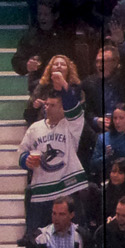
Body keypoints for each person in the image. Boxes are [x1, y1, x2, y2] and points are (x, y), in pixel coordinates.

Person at [18, 74, 88, 239]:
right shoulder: (35, 128)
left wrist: (63, 85)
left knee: (74, 236)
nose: (47, 108)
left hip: (68, 187)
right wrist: (26, 159)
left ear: (63, 108)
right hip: (42, 190)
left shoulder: (72, 125)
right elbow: (21, 152)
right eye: (46, 104)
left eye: (53, 105)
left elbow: (73, 105)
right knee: (38, 239)